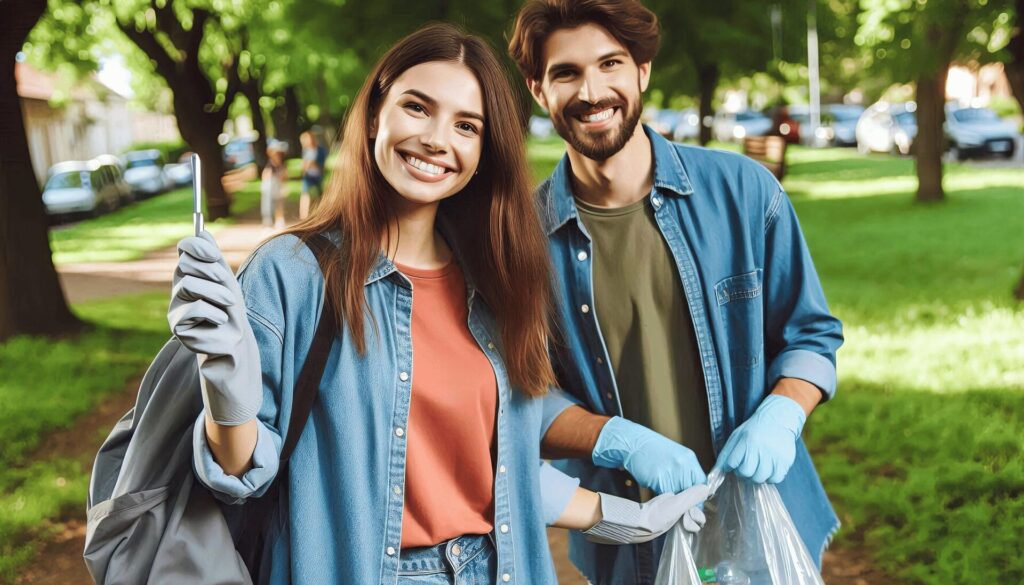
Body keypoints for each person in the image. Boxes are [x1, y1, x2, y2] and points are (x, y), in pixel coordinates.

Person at [167, 23, 707, 584]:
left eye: (466, 125)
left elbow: (499, 462)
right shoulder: (294, 272)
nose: (436, 138)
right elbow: (237, 474)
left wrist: (627, 517)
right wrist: (226, 390)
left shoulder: (496, 278)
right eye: (417, 108)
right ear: (377, 113)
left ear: (484, 150)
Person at [508, 1, 845, 583]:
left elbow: (810, 334)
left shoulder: (744, 192)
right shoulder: (519, 243)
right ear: (539, 89)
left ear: (641, 70)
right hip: (631, 540)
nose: (592, 90)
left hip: (768, 525)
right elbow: (517, 396)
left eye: (610, 63)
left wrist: (784, 414)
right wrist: (615, 439)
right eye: (566, 73)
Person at [298, 131, 328, 219]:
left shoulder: (321, 150)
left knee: (319, 196)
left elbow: (321, 165)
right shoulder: (306, 151)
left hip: (318, 175)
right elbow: (304, 165)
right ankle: (303, 216)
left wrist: (312, 163)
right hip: (308, 176)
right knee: (305, 195)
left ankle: (319, 215)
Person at [260, 142, 288, 228]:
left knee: (279, 204)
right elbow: (265, 175)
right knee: (268, 204)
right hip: (270, 187)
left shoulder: (281, 165)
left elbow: (284, 176)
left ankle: (279, 220)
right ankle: (268, 221)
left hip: (277, 187)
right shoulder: (270, 165)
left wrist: (284, 185)